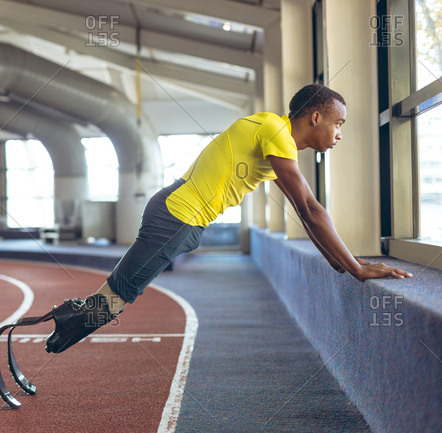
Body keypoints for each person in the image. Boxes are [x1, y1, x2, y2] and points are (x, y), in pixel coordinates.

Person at [45, 83, 413, 354]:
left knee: (115, 297)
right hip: (178, 216)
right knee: (115, 298)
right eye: (338, 123)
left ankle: (49, 333)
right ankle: (35, 333)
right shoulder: (276, 132)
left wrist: (343, 261)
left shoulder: (274, 138)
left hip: (178, 216)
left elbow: (304, 213)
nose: (340, 134)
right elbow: (310, 209)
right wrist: (356, 268)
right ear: (316, 117)